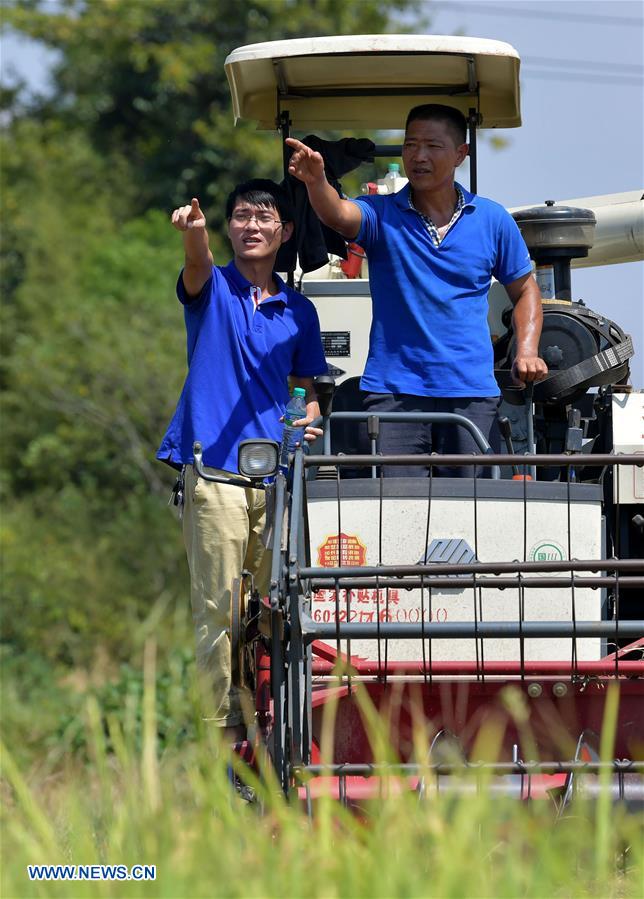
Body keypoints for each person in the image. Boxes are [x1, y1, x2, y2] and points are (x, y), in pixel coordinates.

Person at [286, 104, 548, 476]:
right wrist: (316, 182)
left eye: (433, 146)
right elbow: (337, 215)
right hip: (394, 393)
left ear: (461, 154)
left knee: (470, 514)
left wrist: (526, 350)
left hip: (471, 393)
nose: (419, 156)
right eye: (410, 145)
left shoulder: (493, 219)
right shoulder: (380, 213)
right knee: (395, 510)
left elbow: (526, 291)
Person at [157, 179, 327, 741]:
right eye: (239, 217)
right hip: (215, 477)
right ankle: (224, 741)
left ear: (285, 232)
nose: (250, 226)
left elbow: (305, 390)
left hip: (277, 479)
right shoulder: (214, 289)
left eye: (262, 217)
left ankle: (279, 726)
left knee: (278, 613)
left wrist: (306, 416)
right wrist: (195, 234)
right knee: (220, 614)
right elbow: (197, 265)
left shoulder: (299, 310)